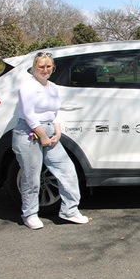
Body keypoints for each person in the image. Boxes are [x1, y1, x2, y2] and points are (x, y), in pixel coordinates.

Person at [12, 52, 89, 230]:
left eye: (48, 67)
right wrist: (43, 136)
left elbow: (56, 112)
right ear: (34, 67)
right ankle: (29, 214)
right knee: (32, 177)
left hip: (49, 131)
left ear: (52, 68)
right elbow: (29, 114)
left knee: (67, 170)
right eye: (41, 66)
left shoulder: (53, 87)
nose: (45, 70)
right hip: (28, 133)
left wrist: (58, 132)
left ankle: (69, 210)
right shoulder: (27, 87)